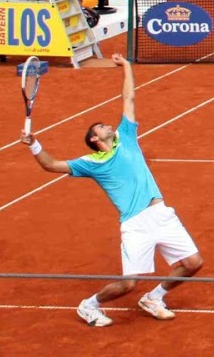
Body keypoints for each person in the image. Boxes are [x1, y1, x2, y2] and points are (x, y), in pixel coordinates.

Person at [21, 54, 204, 326]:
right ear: (95, 139)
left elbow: (128, 99)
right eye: (102, 127)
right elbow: (50, 165)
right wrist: (34, 145)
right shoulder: (90, 163)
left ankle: (154, 297)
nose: (109, 126)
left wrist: (127, 67)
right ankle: (89, 305)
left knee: (193, 263)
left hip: (162, 214)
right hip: (135, 224)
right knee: (128, 284)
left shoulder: (126, 137)